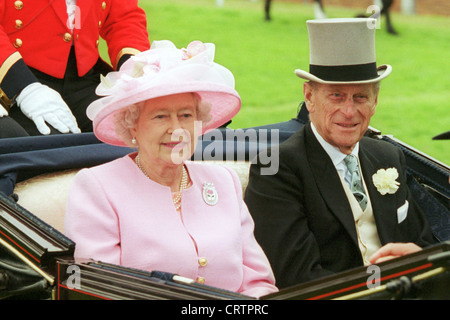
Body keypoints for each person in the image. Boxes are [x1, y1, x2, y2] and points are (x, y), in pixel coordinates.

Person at [64, 40, 278, 297]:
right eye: (161, 116)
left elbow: (259, 284)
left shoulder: (224, 181)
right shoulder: (98, 187)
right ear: (132, 125)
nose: (177, 129)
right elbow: (99, 289)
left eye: (186, 115)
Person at [244, 18, 437, 289]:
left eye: (360, 97)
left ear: (375, 101)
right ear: (309, 97)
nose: (349, 111)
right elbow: (297, 278)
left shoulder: (388, 157)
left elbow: (424, 247)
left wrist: (417, 261)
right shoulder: (275, 168)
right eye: (336, 96)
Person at [0, 0, 150, 137]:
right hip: (16, 75)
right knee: (47, 145)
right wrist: (24, 88)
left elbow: (124, 19)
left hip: (84, 72)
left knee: (137, 131)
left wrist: (133, 70)